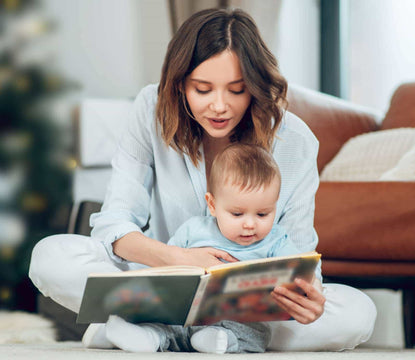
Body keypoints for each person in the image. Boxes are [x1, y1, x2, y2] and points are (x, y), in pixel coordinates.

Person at [29, 8, 376, 352]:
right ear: (180, 85)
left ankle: (136, 328)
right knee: (50, 256)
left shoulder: (294, 140)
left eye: (237, 90)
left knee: (357, 314)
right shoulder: (151, 109)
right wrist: (177, 259)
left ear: (255, 87)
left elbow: (300, 255)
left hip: (248, 307)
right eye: (203, 89)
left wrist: (307, 297)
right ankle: (174, 330)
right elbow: (114, 224)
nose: (219, 106)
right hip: (160, 280)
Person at [96, 143, 315, 353]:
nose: (250, 224)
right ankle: (147, 337)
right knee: (161, 322)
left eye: (263, 214)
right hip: (184, 313)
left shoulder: (277, 240)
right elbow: (165, 271)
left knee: (259, 333)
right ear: (212, 205)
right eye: (237, 214)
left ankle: (219, 340)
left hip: (237, 320)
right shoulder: (193, 230)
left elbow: (300, 274)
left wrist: (307, 287)